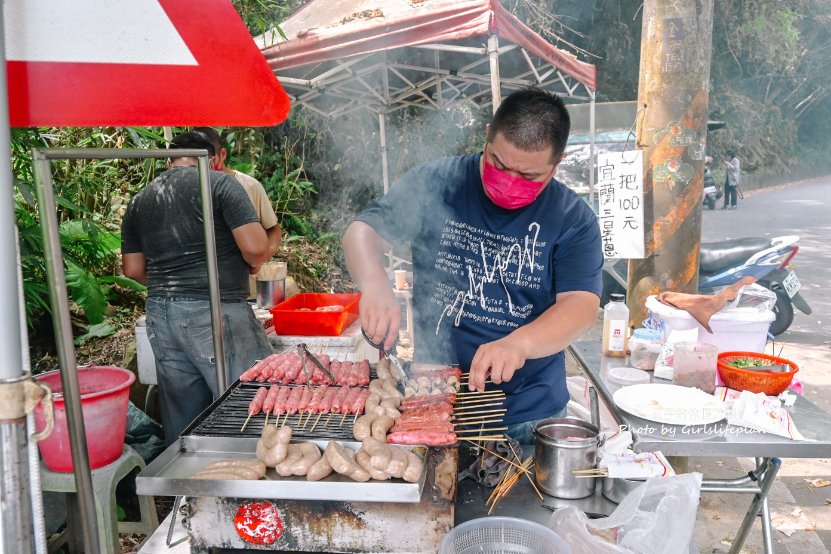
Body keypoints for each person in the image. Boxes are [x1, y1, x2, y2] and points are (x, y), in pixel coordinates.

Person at [343, 88, 603, 444]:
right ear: (487, 135)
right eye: (498, 163)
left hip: (528, 412)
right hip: (431, 398)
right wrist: (375, 284)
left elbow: (582, 306)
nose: (509, 180)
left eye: (527, 176)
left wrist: (520, 343)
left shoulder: (573, 218)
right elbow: (363, 231)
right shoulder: (439, 183)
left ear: (557, 164)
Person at [121, 132, 274, 445]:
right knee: (247, 400)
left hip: (161, 315)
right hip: (216, 310)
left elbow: (133, 270)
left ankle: (188, 491)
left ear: (170, 159)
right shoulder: (220, 184)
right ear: (215, 158)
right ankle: (247, 486)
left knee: (183, 418)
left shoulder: (141, 199)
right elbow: (256, 247)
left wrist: (171, 286)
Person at [193, 127, 282, 256]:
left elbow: (273, 229)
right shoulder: (189, 190)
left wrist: (262, 257)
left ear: (222, 154)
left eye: (208, 161)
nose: (205, 168)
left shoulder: (250, 186)